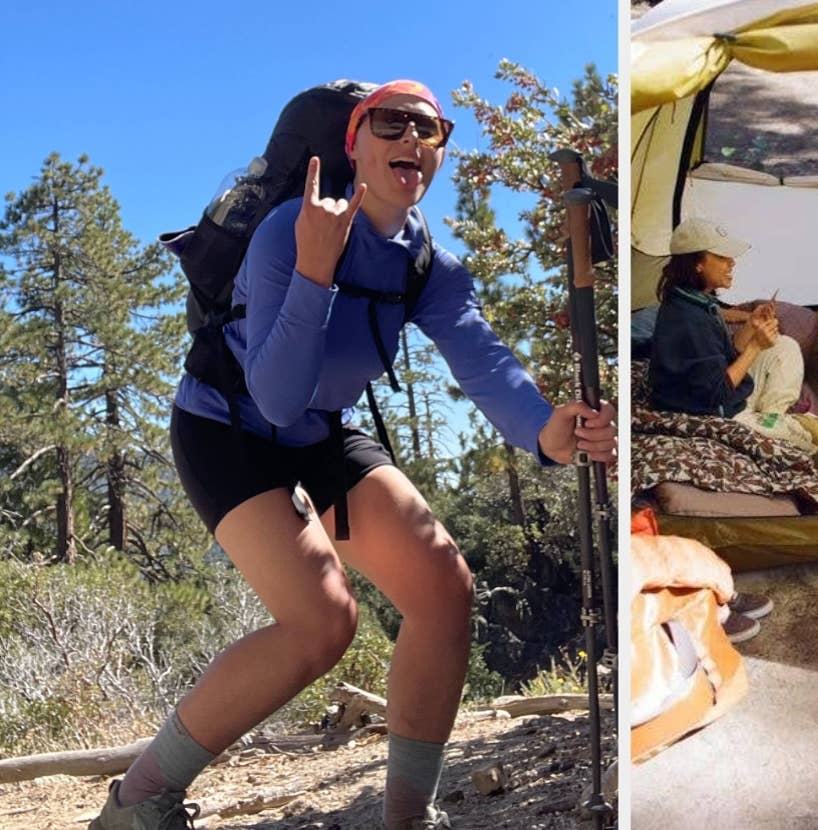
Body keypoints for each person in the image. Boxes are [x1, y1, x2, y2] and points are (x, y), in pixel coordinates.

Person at [90, 80, 617, 830]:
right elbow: (274, 394)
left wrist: (546, 431)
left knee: (443, 588)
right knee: (322, 621)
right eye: (390, 123)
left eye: (430, 128)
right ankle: (136, 802)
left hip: (318, 429)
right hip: (224, 425)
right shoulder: (285, 232)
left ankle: (405, 818)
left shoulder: (425, 261)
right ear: (354, 144)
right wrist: (314, 267)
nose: (412, 138)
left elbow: (482, 361)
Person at [647, 216, 818, 453]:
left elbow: (724, 355)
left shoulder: (697, 300)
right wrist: (755, 346)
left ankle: (770, 419)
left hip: (725, 394)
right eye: (722, 257)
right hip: (711, 410)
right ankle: (763, 427)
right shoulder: (687, 318)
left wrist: (751, 326)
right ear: (696, 264)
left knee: (784, 346)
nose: (732, 263)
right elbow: (718, 391)